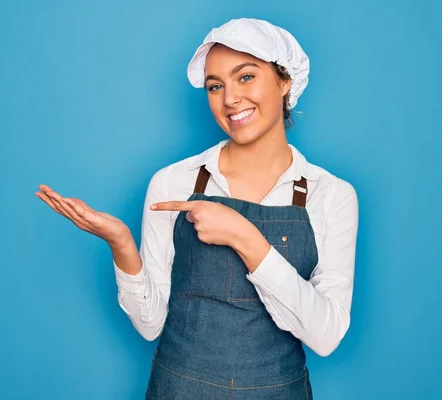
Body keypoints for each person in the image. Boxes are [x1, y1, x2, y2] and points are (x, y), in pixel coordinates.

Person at [36, 18, 358, 399]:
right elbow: (150, 324)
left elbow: (326, 335)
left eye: (246, 77)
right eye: (215, 86)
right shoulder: (174, 182)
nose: (230, 99)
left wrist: (244, 237)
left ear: (284, 81)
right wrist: (121, 244)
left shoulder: (330, 195)